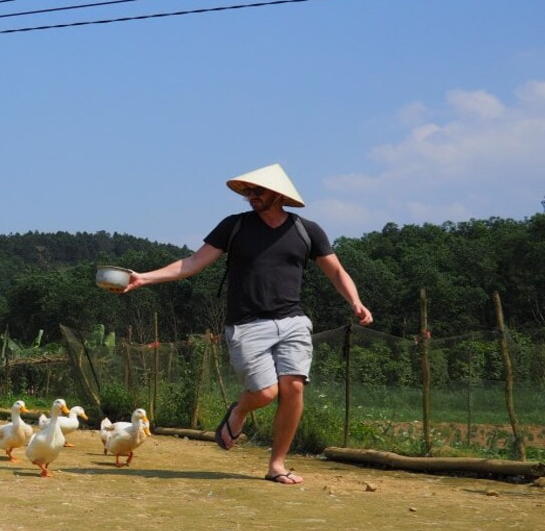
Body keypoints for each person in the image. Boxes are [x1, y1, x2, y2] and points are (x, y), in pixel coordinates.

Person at [115, 163, 373, 485]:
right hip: (247, 325)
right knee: (265, 393)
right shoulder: (234, 227)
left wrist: (355, 301)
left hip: (292, 321)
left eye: (257, 191)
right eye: (247, 192)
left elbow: (336, 271)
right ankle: (239, 410)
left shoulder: (307, 231)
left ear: (278, 194)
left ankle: (277, 465)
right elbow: (192, 263)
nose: (251, 196)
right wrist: (144, 278)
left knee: (293, 388)